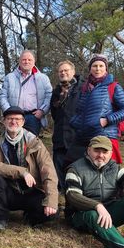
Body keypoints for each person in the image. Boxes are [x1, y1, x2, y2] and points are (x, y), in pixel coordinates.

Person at [0, 106, 59, 231]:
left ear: (23, 122)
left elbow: (49, 172)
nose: (14, 122)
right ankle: (1, 218)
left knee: (51, 213)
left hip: (31, 192)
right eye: (10, 119)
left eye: (18, 119)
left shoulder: (35, 142)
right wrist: (22, 172)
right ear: (4, 121)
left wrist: (51, 200)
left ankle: (30, 217)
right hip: (8, 193)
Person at [68, 54, 124, 165]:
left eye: (101, 66)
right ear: (90, 68)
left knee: (105, 174)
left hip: (105, 137)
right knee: (78, 169)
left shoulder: (113, 87)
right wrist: (74, 122)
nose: (98, 69)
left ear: (105, 68)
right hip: (84, 137)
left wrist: (107, 120)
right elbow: (79, 111)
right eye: (94, 66)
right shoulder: (84, 88)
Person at [0, 50, 52, 136]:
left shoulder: (43, 78)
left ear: (34, 61)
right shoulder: (10, 77)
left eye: (29, 60)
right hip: (14, 118)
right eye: (24, 59)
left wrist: (42, 111)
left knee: (31, 146)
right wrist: (9, 112)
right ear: (19, 61)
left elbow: (49, 96)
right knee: (12, 145)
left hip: (33, 118)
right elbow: (2, 97)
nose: (26, 62)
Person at [50, 60, 83, 192]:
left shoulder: (82, 88)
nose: (63, 73)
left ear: (73, 72)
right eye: (61, 71)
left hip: (77, 137)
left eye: (66, 70)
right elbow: (54, 113)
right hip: (59, 137)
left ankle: (76, 195)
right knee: (59, 168)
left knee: (77, 169)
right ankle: (61, 196)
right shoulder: (56, 91)